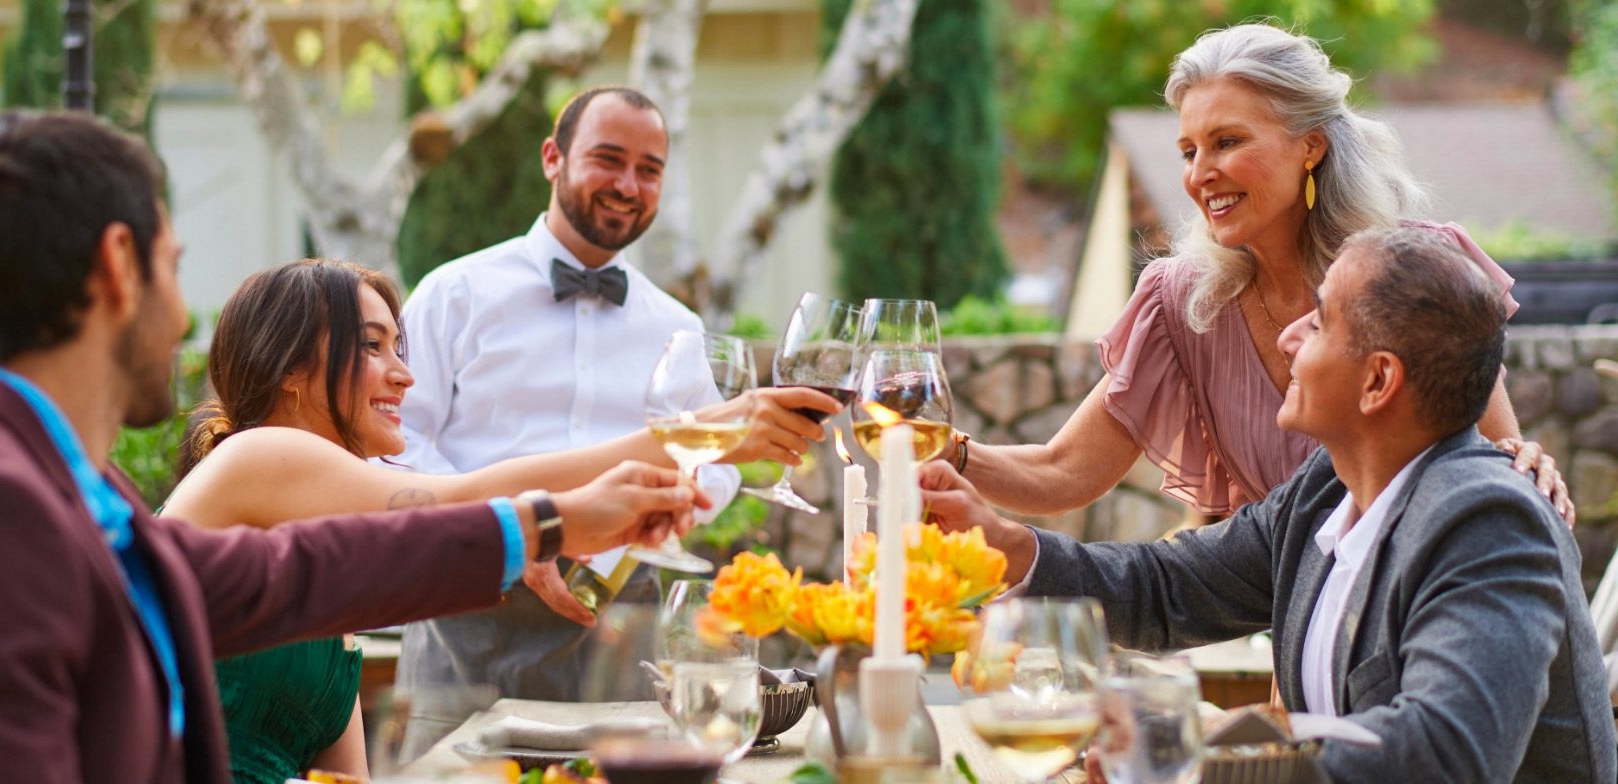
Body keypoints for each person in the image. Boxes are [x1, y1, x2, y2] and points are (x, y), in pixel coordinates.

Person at [0, 111, 708, 783]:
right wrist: (613, 487)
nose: (182, 322)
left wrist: (553, 523)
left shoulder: (82, 495)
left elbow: (305, 576)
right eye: (174, 268)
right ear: (116, 265)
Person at [924, 227, 1616, 783]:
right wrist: (1005, 545)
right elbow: (1170, 589)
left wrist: (1197, 757)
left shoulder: (1487, 523)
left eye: (1318, 325)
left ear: (1378, 381)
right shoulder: (1327, 490)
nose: (1289, 336)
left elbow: (1444, 754)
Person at [162, 258, 826, 783]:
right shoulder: (256, 455)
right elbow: (464, 498)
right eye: (373, 348)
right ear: (291, 374)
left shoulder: (330, 573)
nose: (404, 378)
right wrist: (705, 430)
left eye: (402, 351)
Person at [936, 23, 1573, 524]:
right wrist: (943, 448)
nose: (1198, 173)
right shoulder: (1184, 304)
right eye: (1189, 150)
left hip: (1420, 623)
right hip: (1296, 650)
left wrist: (1528, 465)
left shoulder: (1415, 277)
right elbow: (1063, 470)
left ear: (1311, 145)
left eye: (1228, 142)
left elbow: (1496, 464)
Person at [392, 85, 835, 748]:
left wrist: (641, 519)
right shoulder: (453, 295)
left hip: (619, 639)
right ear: (552, 159)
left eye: (649, 169)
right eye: (608, 159)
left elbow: (712, 474)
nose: (629, 185)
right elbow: (396, 451)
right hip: (465, 627)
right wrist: (512, 534)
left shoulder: (677, 326)